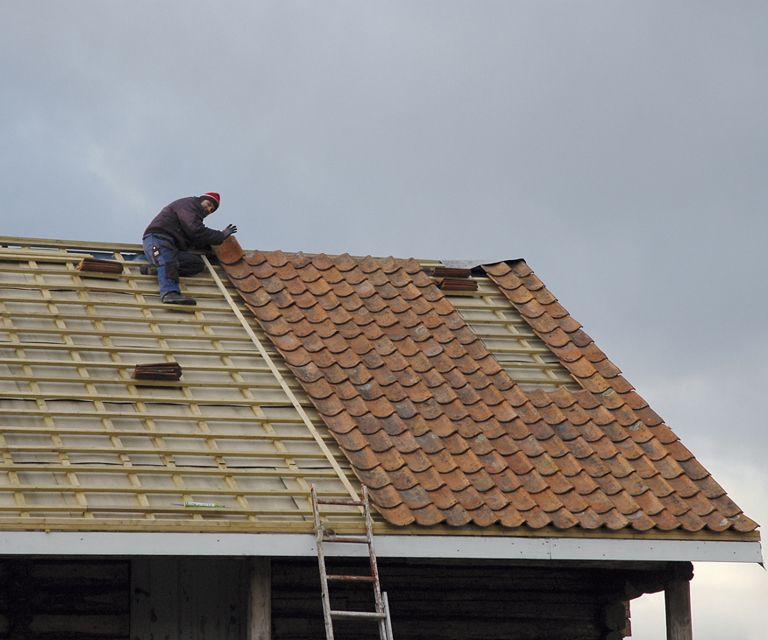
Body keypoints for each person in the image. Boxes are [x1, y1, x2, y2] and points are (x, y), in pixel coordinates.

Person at [141, 192, 237, 305]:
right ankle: (170, 293)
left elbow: (194, 238)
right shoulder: (190, 204)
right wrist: (220, 236)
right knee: (168, 264)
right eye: (209, 204)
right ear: (202, 200)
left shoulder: (193, 213)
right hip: (159, 238)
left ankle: (156, 269)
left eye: (212, 209)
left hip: (172, 246)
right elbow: (195, 230)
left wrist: (210, 252)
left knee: (196, 263)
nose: (209, 209)